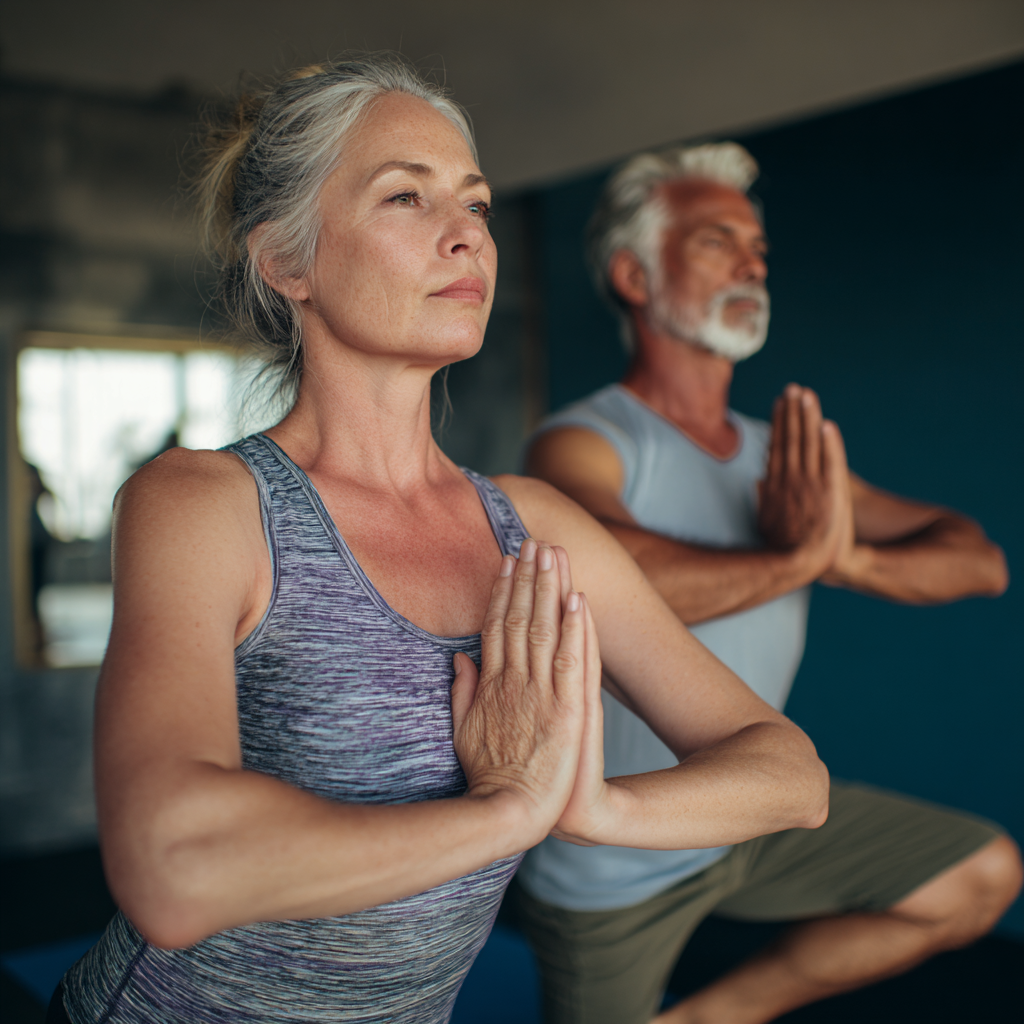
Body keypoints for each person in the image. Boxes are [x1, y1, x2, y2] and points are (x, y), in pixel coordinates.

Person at [52, 62, 829, 1024]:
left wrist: (590, 806)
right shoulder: (210, 506)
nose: (466, 233)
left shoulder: (534, 530)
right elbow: (173, 870)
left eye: (477, 202)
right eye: (405, 196)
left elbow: (791, 774)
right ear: (286, 264)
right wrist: (504, 809)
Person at [518, 142, 1022, 1024]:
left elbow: (978, 559)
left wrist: (843, 556)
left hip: (748, 819)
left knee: (982, 875)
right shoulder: (581, 443)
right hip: (613, 852)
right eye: (717, 241)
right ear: (635, 277)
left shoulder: (772, 455)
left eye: (757, 247)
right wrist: (795, 559)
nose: (752, 263)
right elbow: (609, 578)